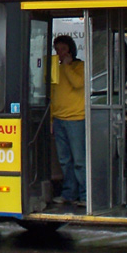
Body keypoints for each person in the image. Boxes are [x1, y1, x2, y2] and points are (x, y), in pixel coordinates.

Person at [52, 34, 86, 206]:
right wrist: (51, 119)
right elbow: (53, 94)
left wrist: (66, 67)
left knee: (79, 160)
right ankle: (69, 193)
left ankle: (85, 196)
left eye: (63, 49)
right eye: (57, 50)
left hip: (76, 118)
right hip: (58, 119)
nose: (60, 53)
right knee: (65, 160)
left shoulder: (80, 66)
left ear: (71, 49)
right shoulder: (54, 69)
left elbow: (78, 84)